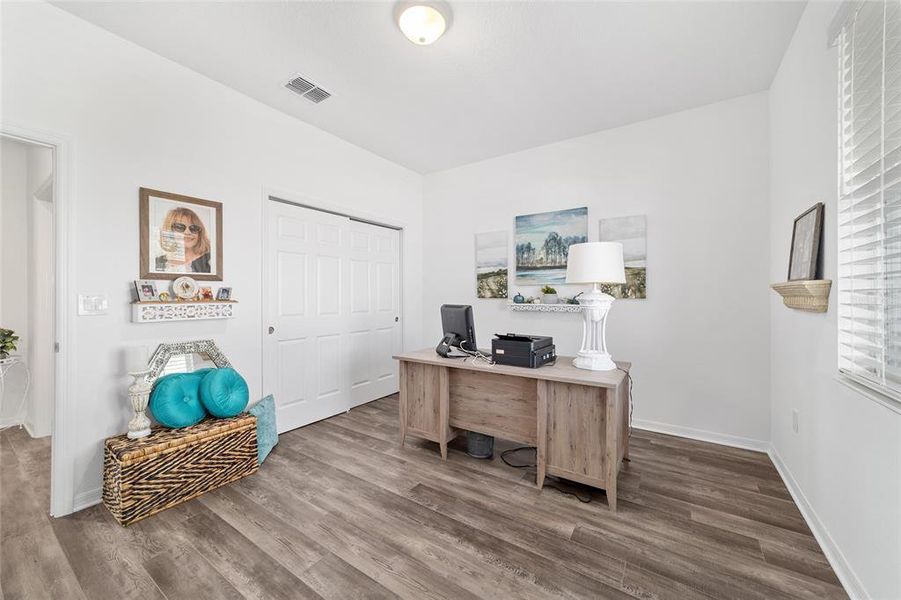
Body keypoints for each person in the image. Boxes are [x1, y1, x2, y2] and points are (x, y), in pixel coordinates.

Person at [155, 207, 212, 273]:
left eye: (193, 228)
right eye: (180, 227)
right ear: (169, 230)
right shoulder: (157, 262)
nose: (187, 232)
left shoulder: (210, 260)